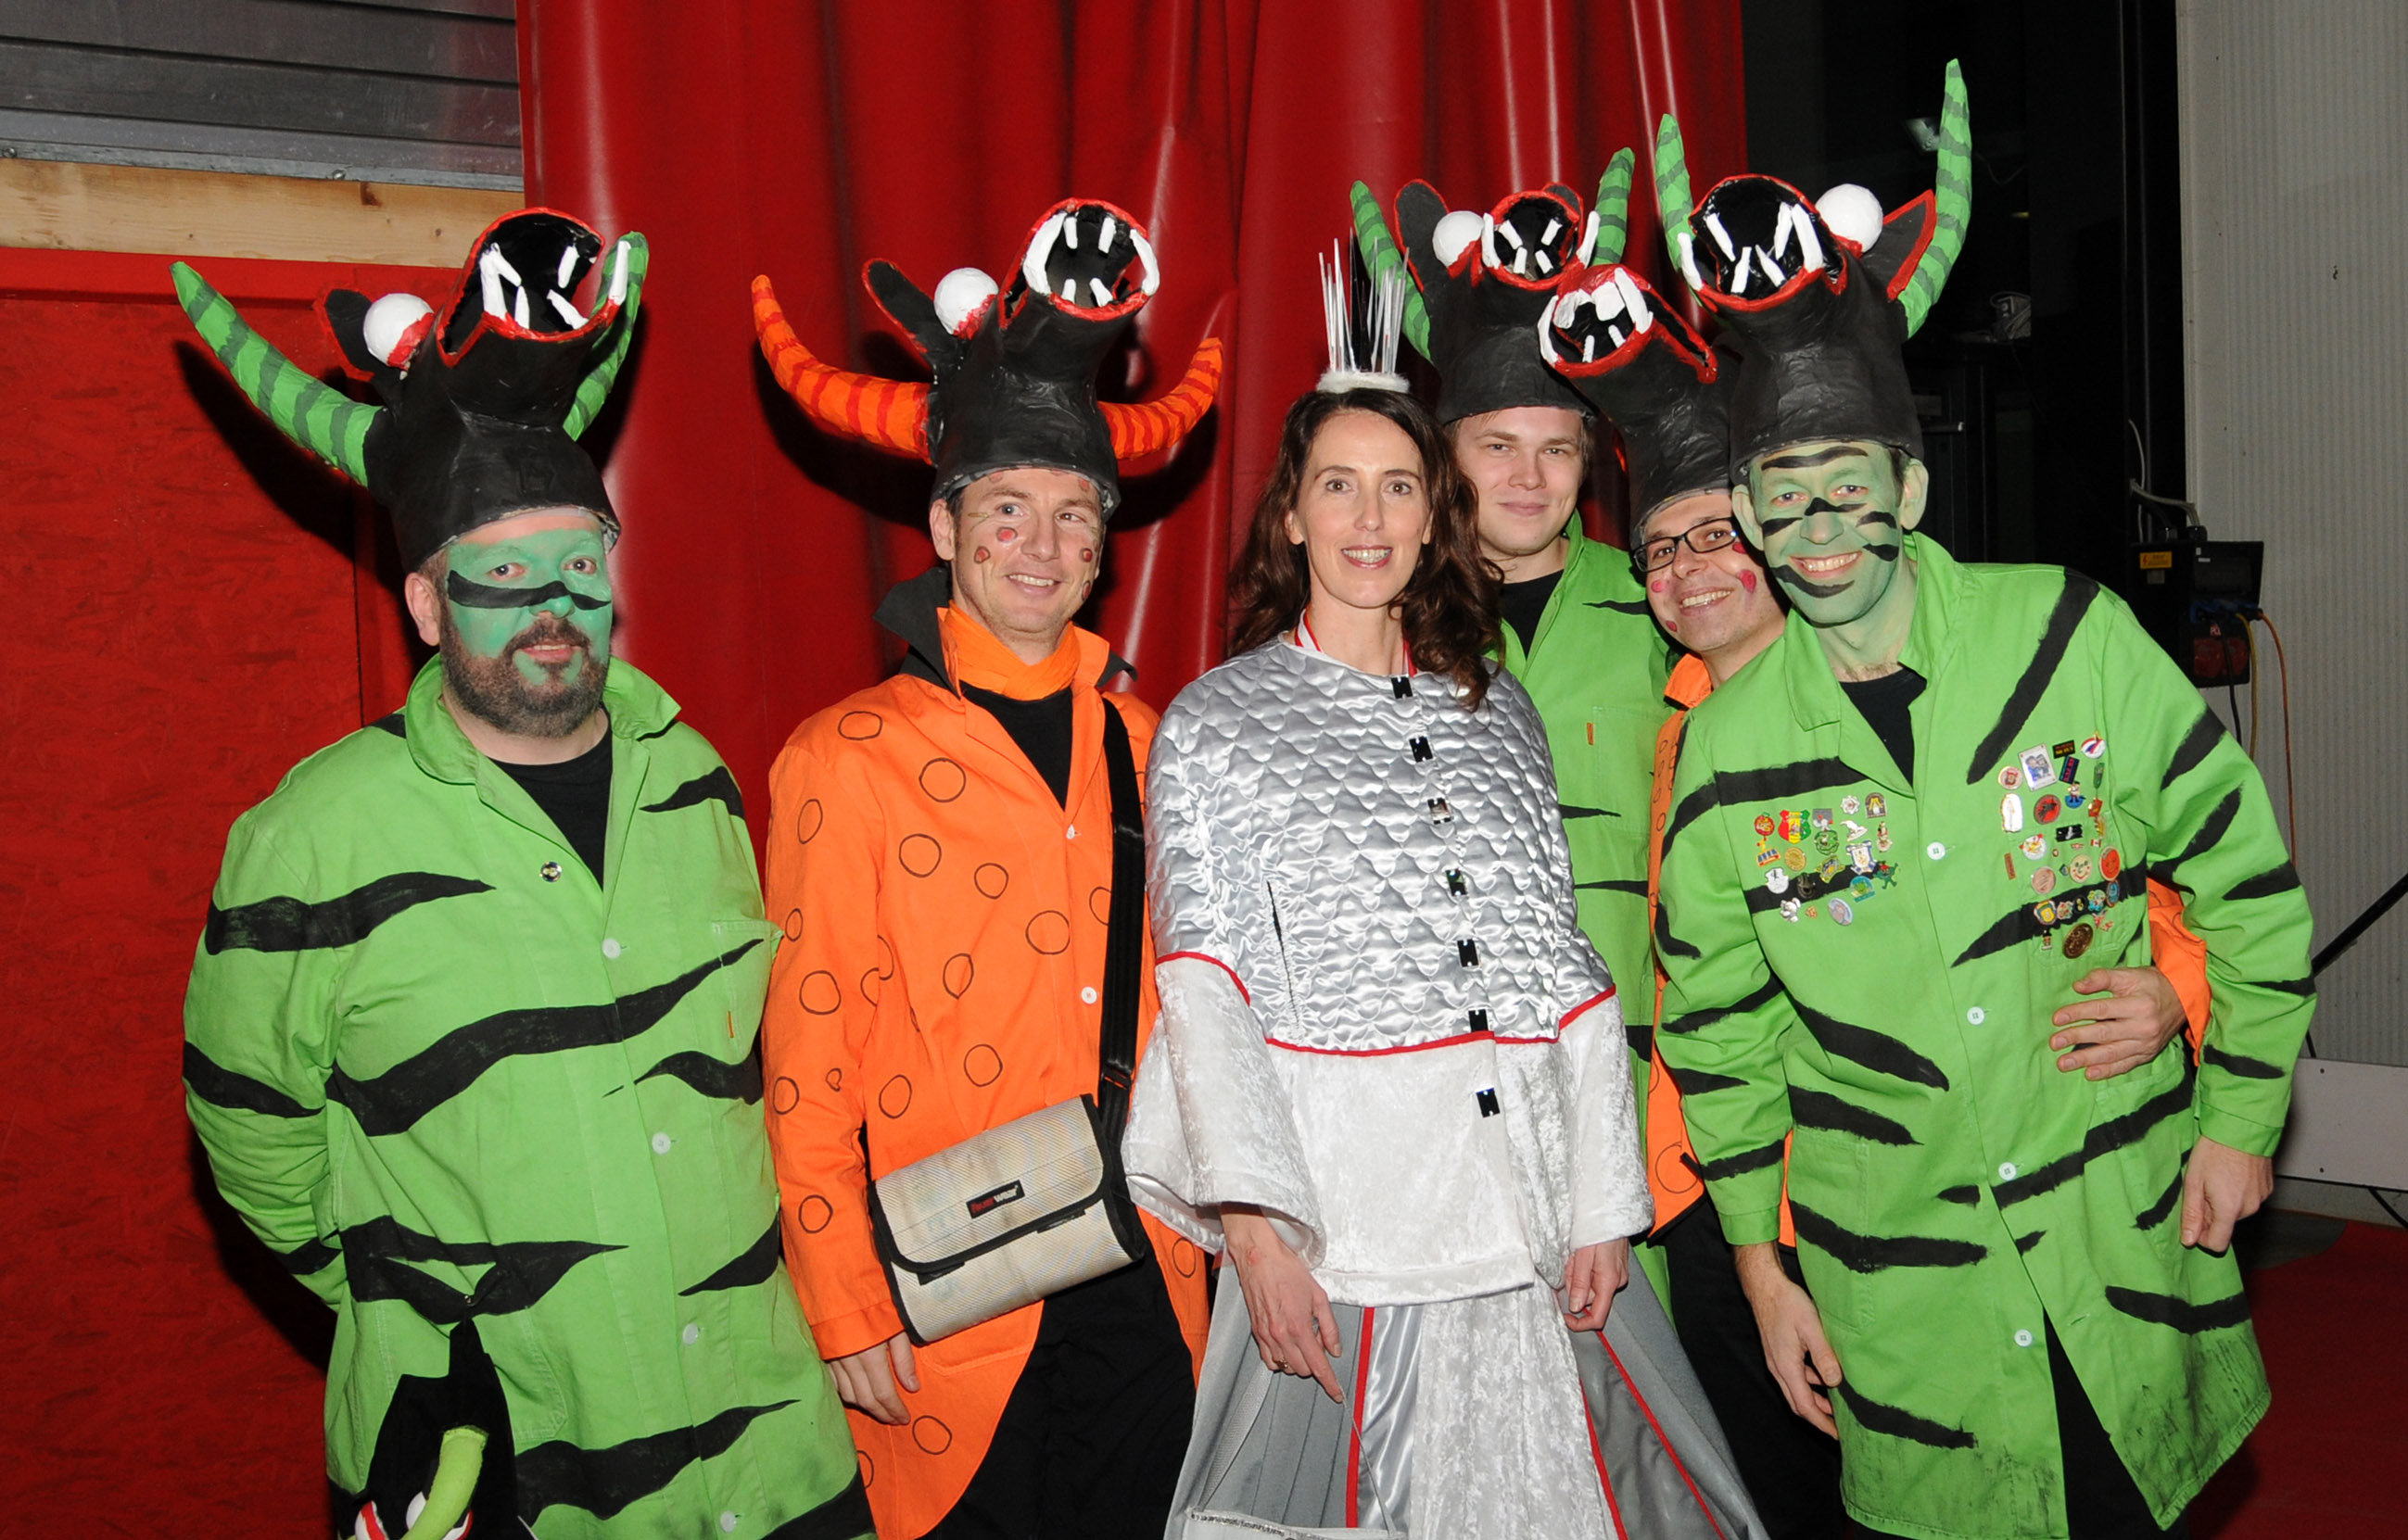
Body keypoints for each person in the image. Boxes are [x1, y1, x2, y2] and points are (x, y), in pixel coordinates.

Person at [1652, 67, 2317, 1540]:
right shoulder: (1724, 750)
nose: (1816, 526)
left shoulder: (2067, 636)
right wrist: (1760, 1266)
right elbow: (1719, 1035)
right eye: (1780, 491)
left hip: (2117, 1232)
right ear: (1747, 515)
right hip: (1905, 1294)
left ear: (1907, 486)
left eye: (1844, 481)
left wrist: (2240, 1117)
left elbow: (2246, 883)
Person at [179, 212, 868, 1539]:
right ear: (425, 604)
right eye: (501, 572)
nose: (550, 606)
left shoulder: (699, 783)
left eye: (578, 566)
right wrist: (408, 1295)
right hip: (500, 1469)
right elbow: (249, 1135)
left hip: (769, 1450)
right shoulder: (312, 839)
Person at [1543, 253, 2211, 1540]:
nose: (1687, 571)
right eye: (1659, 548)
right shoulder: (1667, 721)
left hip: (1920, 1204)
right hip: (1712, 1192)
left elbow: (2131, 869)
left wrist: (2170, 993)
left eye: (1717, 534)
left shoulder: (1937, 679)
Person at [1123, 379, 1760, 1539]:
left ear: (1434, 519)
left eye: (1399, 488)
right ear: (1292, 516)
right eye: (1339, 486)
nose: (1369, 520)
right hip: (1345, 1226)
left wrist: (1602, 1203)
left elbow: (1561, 965)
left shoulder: (1499, 708)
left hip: (1529, 1211)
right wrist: (1255, 1236)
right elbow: (1204, 992)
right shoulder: (1215, 723)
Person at [750, 198, 1222, 1540]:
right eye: (1006, 510)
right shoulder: (843, 756)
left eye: (1074, 516)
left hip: (1144, 1274)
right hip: (945, 1296)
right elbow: (804, 1054)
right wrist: (843, 1298)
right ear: (946, 530)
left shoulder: (1152, 742)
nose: (1043, 546)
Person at [1351, 165, 1674, 1115]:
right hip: (1451, 1085)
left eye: (1556, 449)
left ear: (1588, 461)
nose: (1529, 478)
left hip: (1653, 1082)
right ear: (1445, 457)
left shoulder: (1667, 604)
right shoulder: (1383, 626)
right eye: (1498, 447)